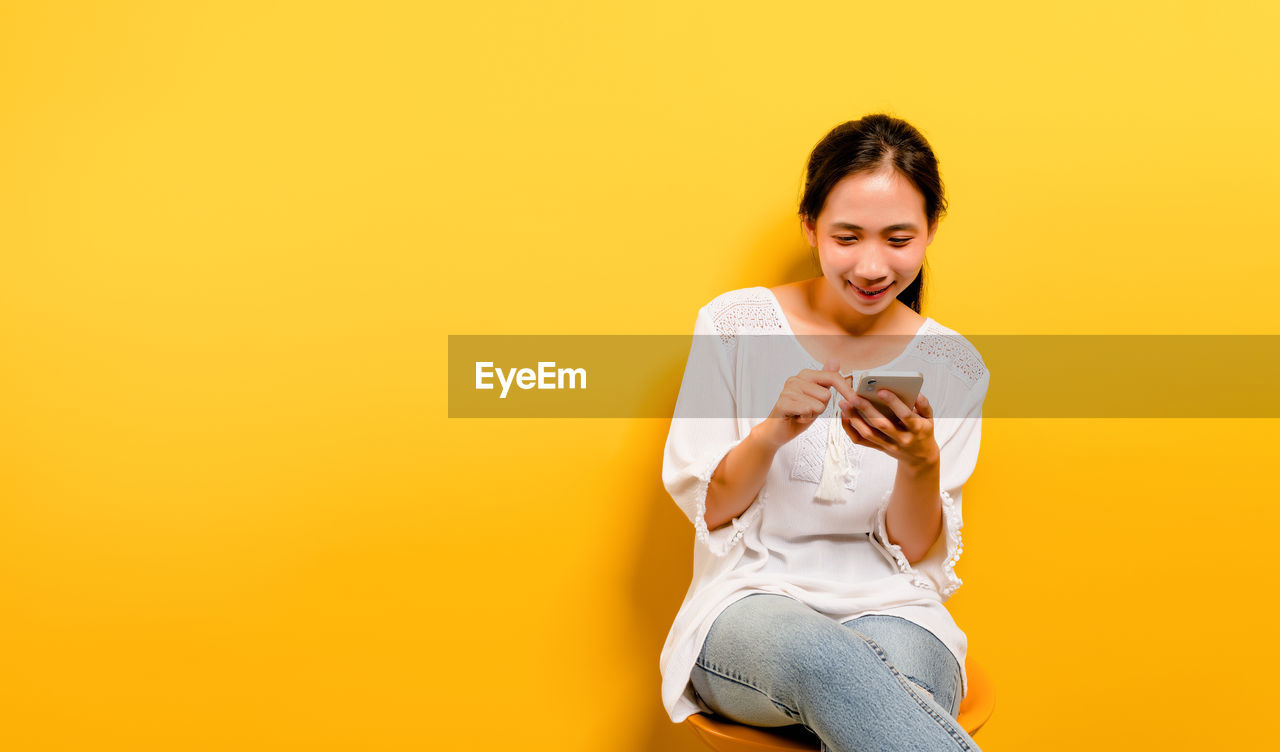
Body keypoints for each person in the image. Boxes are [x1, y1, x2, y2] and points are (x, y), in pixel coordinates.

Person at [658, 113, 991, 752]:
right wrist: (774, 432)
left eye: (899, 239)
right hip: (749, 603)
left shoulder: (953, 364)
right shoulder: (735, 325)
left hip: (898, 610)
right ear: (811, 228)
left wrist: (919, 461)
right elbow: (712, 508)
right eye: (847, 237)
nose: (872, 266)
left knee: (873, 681)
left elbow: (916, 553)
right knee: (831, 662)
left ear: (929, 233)